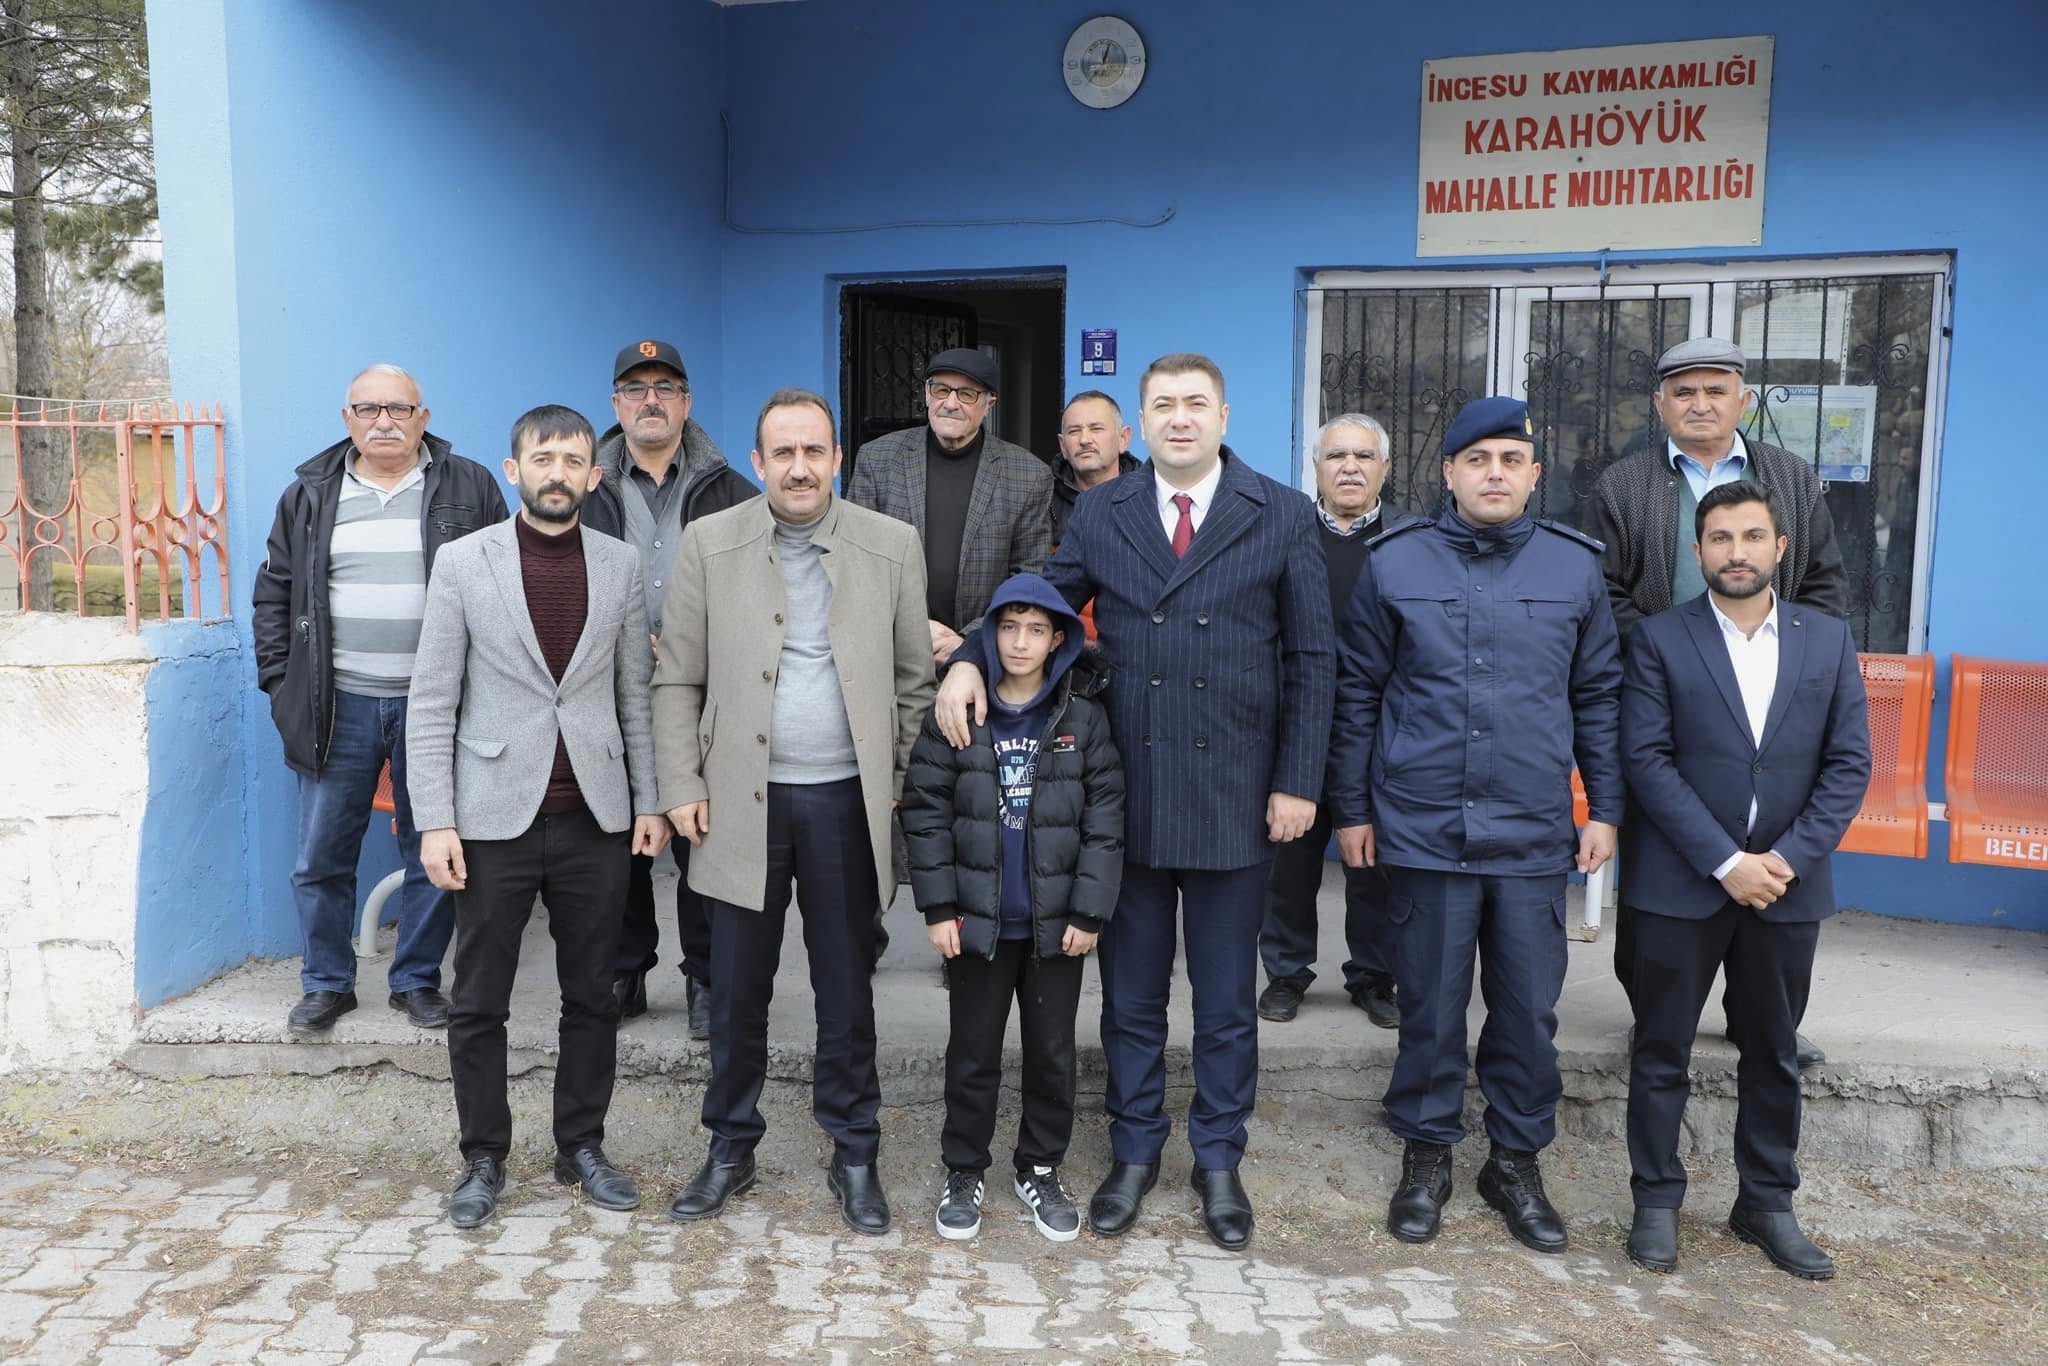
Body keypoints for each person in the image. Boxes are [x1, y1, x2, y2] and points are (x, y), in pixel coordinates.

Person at [934, 353, 1334, 1253]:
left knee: (1228, 1000)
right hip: (1132, 799)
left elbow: (1314, 660)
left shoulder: (1282, 513)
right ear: (1139, 426)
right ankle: (1135, 1150)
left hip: (1239, 793)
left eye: (1196, 404)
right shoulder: (1105, 514)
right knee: (1132, 1001)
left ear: (1224, 416)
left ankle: (1219, 1159)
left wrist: (1299, 780)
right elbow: (1038, 603)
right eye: (1163, 405)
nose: (1180, 419)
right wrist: (969, 655)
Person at [1327, 396, 1622, 1255]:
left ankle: (1515, 1163)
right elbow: (1358, 694)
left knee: (1529, 1011)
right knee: (1430, 1005)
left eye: (1510, 460)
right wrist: (1352, 808)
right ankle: (1426, 1157)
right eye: (1477, 460)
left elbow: (1599, 694)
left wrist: (1603, 808)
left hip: (1532, 835)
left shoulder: (1574, 569)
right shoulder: (1397, 563)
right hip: (1423, 830)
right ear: (1448, 473)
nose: (1494, 473)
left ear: (1534, 475)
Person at [653, 388, 934, 1236]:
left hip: (848, 802)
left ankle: (855, 1150)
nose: (800, 468)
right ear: (759, 459)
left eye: (815, 451)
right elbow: (677, 678)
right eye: (783, 453)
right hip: (739, 805)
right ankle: (730, 1148)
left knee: (846, 986)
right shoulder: (710, 542)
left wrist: (892, 778)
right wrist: (681, 786)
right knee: (736, 989)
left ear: (838, 456)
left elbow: (914, 678)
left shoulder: (892, 545)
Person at [406, 405, 670, 1230]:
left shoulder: (621, 565)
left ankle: (580, 1144)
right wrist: (435, 820)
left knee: (593, 993)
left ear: (596, 477)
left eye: (574, 460)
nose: (559, 472)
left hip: (594, 814)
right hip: (490, 819)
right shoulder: (461, 562)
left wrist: (650, 800)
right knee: (479, 997)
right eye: (543, 457)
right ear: (514, 469)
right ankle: (483, 1155)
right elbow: (432, 700)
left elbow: (635, 693)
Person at [1618, 479, 1870, 1280]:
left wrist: (1783, 861)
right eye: (1721, 539)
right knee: (1661, 1051)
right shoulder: (1659, 639)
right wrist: (1726, 862)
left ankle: (1766, 1202)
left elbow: (1849, 763)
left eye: (1753, 537)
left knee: (1773, 1052)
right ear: (1698, 553)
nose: (1737, 552)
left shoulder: (1826, 639)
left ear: (1780, 548)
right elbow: (1646, 762)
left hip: (1788, 887)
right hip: (1682, 884)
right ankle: (1656, 1201)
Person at [1588, 336, 1843, 1070]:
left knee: (1770, 851)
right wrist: (1680, 649)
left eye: (1714, 389)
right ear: (1660, 404)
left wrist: (1793, 657)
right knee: (1661, 858)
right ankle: (1657, 1016)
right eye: (1683, 391)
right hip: (1661, 695)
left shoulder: (1791, 478)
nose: (1699, 403)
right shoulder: (1623, 484)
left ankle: (1765, 1019)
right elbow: (1600, 594)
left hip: (1773, 701)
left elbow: (1824, 586)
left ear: (1743, 400)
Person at [252, 364, 505, 1037]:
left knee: (433, 848)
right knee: (321, 856)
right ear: (347, 419)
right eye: (367, 409)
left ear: (423, 417)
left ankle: (418, 981)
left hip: (437, 709)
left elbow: (502, 586)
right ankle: (327, 984)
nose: (383, 421)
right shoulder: (309, 493)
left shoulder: (469, 486)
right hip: (339, 705)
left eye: (398, 409)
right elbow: (273, 595)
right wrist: (282, 686)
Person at [902, 573, 1124, 1244]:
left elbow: (1106, 821)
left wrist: (1088, 913)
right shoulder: (957, 714)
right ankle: (964, 1168)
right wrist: (939, 907)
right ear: (989, 634)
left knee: (1052, 1054)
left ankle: (1040, 1166)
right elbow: (925, 812)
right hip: (977, 923)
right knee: (972, 1051)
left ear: (1059, 639)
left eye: (1036, 629)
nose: (1021, 642)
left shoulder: (1081, 721)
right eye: (1008, 626)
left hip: (1056, 929)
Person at [580, 339, 757, 1040]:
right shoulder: (582, 484)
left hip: (699, 697)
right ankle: (625, 969)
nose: (649, 400)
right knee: (615, 837)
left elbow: (755, 596)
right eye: (635, 387)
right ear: (616, 403)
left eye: (665, 387)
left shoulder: (732, 488)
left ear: (687, 403)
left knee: (698, 839)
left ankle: (706, 979)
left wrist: (693, 648)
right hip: (604, 694)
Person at [1258, 413, 1422, 1030]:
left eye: (1363, 456)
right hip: (1294, 723)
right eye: (1336, 457)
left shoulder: (1414, 539)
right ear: (1316, 469)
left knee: (1373, 862)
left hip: (1381, 730)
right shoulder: (1284, 531)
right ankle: (1286, 972)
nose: (1349, 467)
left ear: (1386, 468)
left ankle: (1374, 976)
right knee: (1288, 865)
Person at [847, 347, 1053, 673]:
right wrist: (911, 628)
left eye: (967, 394)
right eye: (941, 389)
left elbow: (1029, 577)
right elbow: (854, 561)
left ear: (989, 404)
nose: (951, 403)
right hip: (887, 655)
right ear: (927, 394)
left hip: (980, 659)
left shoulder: (1028, 475)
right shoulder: (877, 459)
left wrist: (968, 641)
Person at [1051, 390, 1138, 547]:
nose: (1084, 440)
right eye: (1074, 431)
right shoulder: (1042, 500)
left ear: (1123, 439)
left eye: (1096, 429)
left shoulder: (1152, 494)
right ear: (1062, 445)